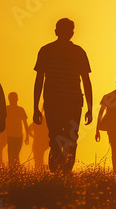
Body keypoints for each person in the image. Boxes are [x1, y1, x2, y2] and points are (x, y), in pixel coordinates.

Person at [32, 18, 93, 174]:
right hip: (58, 101)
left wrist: (90, 108)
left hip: (66, 101)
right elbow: (39, 80)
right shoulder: (49, 51)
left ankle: (63, 170)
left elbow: (86, 81)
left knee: (63, 136)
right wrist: (35, 107)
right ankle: (59, 169)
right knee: (60, 136)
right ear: (57, 32)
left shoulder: (74, 52)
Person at [5, 92, 30, 166]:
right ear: (17, 99)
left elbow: (25, 124)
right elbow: (25, 124)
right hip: (13, 136)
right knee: (15, 154)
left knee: (12, 154)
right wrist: (27, 136)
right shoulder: (19, 109)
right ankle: (15, 169)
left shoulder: (7, 109)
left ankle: (13, 169)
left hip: (13, 135)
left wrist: (27, 136)